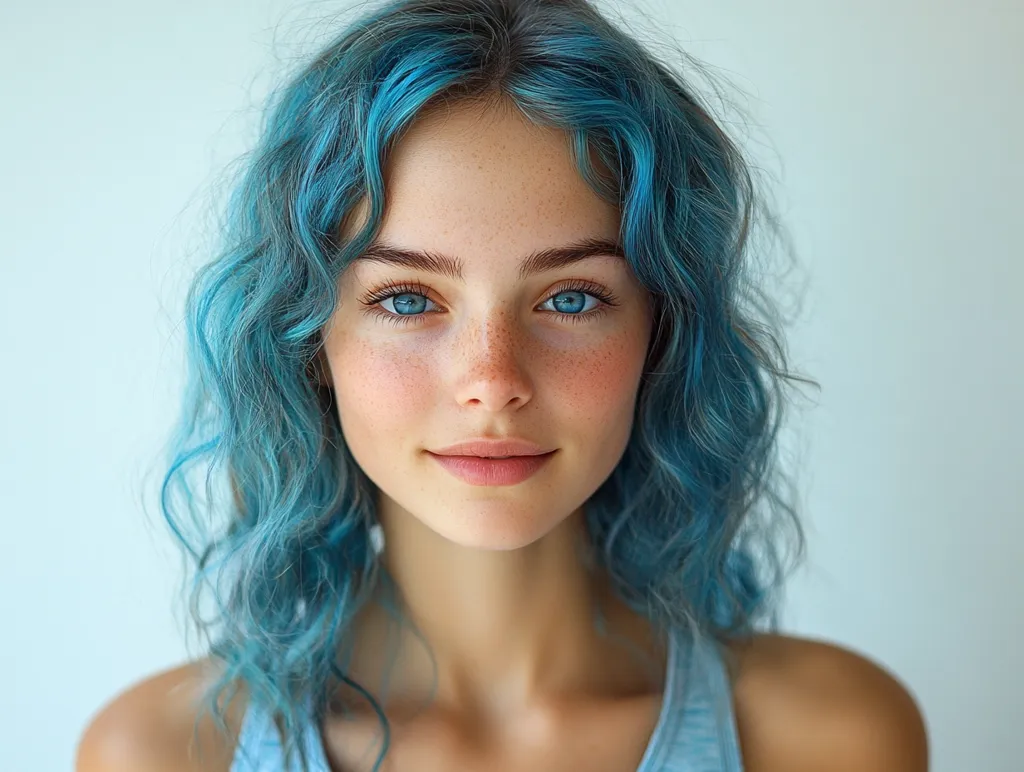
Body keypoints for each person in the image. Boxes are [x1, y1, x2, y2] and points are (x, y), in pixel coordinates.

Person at [76, 0, 928, 770]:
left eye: (571, 297)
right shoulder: (159, 753)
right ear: (307, 345)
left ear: (661, 334)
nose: (493, 383)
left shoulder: (830, 739)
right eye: (407, 299)